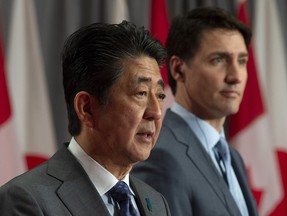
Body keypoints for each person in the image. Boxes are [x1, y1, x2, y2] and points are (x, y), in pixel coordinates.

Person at [0, 21, 171, 216]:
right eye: (140, 93)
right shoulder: (26, 200)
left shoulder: (156, 203)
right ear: (86, 108)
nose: (156, 112)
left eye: (160, 95)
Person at [132, 6, 258, 216]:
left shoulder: (233, 157)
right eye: (218, 60)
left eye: (242, 61)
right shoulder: (160, 154)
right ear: (178, 69)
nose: (236, 76)